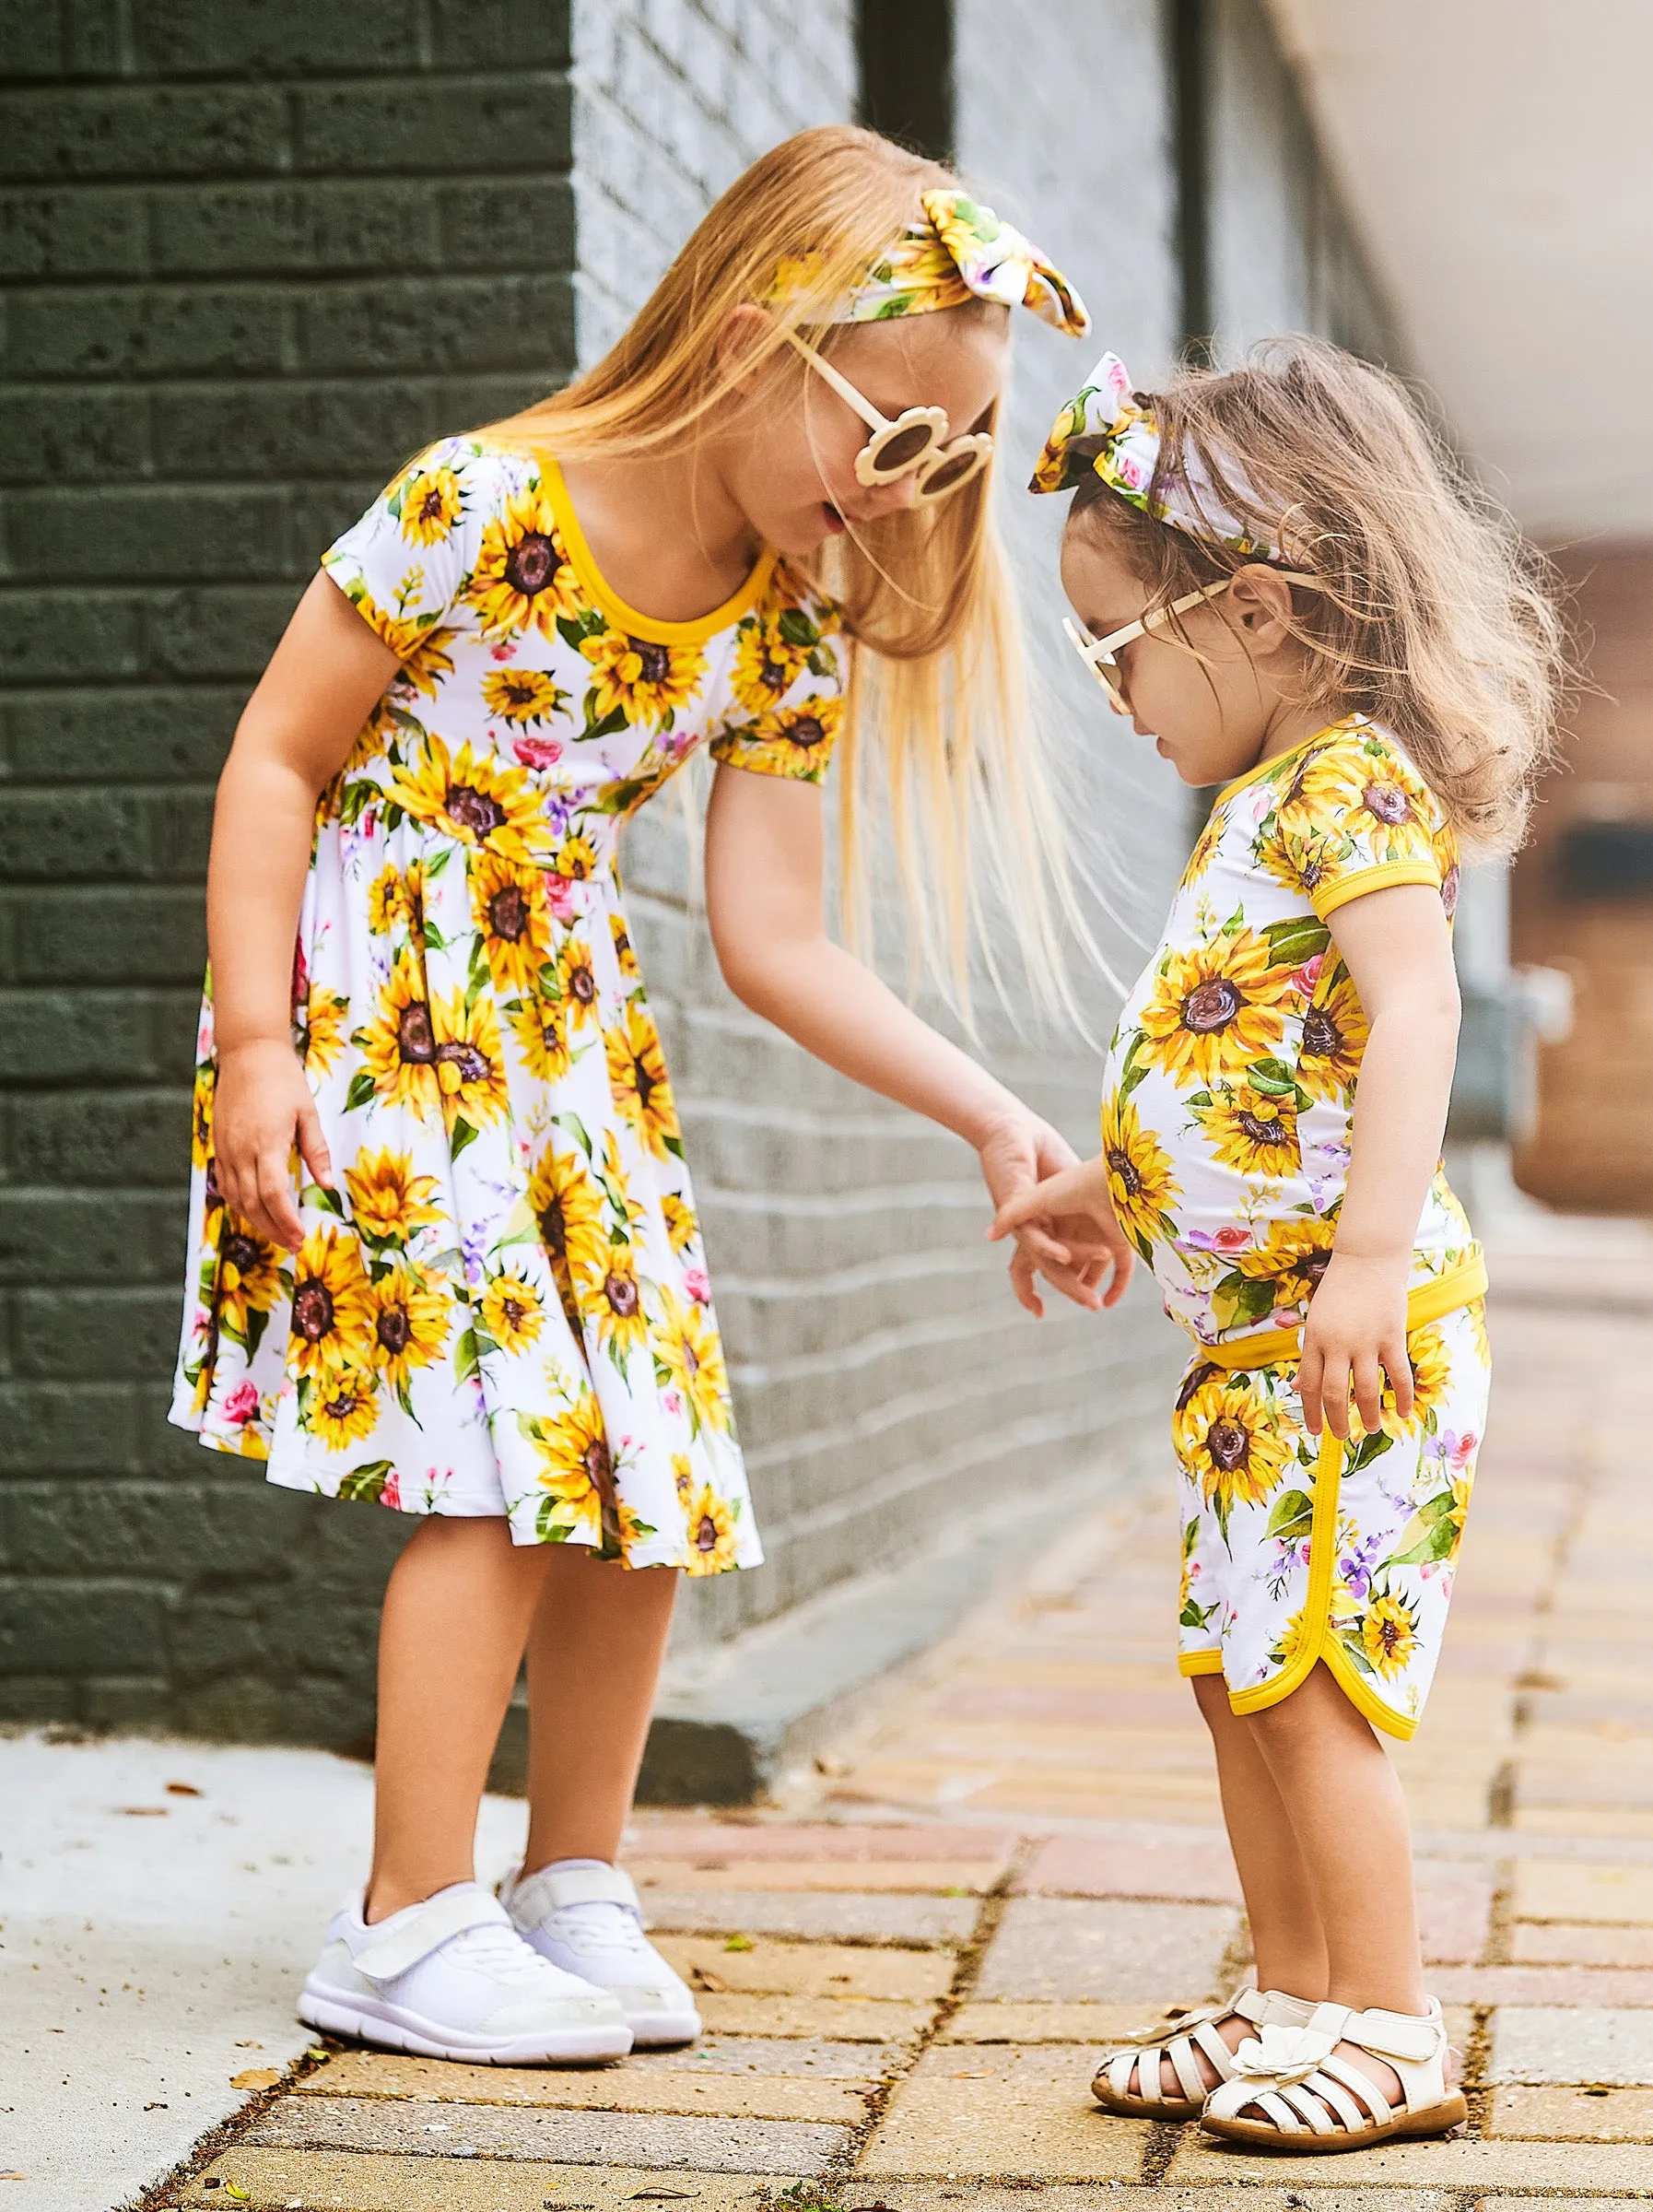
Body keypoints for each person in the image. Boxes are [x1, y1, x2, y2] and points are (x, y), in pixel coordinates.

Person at [170, 124, 1119, 2067]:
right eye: (901, 440)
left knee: (646, 1460)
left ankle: (567, 1880)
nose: (912, 496)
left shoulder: (781, 624)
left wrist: (991, 1118)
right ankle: (402, 1916)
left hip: (569, 1041)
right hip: (383, 1014)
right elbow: (276, 758)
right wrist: (254, 1043)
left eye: (958, 459)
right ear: (771, 341)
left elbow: (778, 936)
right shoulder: (481, 502)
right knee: (501, 1465)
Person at [991, 342, 1563, 2149]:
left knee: (1314, 1686)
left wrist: (1372, 1259)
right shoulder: (1254, 805)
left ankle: (1389, 2025)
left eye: (1118, 650)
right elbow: (1244, 1055)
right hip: (1248, 1355)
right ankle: (1293, 1997)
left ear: (1253, 610)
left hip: (1353, 1339)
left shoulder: (1345, 789)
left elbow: (1411, 1015)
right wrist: (1117, 1187)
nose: (1110, 695)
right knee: (1243, 1683)